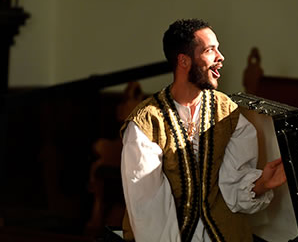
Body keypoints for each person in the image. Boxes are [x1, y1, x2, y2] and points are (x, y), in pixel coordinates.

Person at [120, 19, 286, 242]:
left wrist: (262, 184)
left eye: (218, 48)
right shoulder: (147, 124)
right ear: (184, 61)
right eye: (210, 50)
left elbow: (233, 189)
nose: (221, 57)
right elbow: (148, 210)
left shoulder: (229, 114)